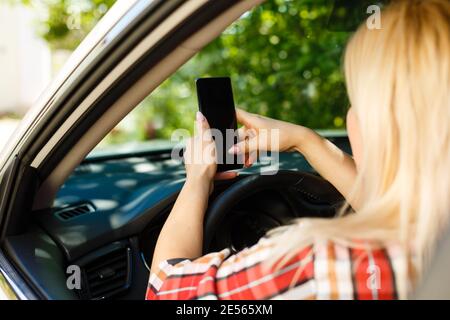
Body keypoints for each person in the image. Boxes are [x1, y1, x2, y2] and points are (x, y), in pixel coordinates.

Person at [146, 0, 450, 300]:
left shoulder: (326, 265)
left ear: (386, 125)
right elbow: (397, 206)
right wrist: (304, 140)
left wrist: (197, 180)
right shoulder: (432, 240)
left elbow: (165, 292)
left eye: (356, 101)